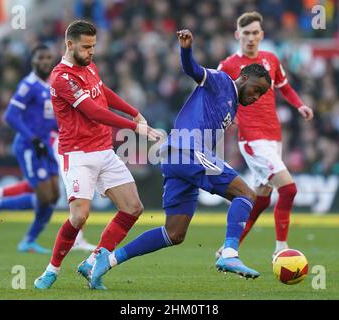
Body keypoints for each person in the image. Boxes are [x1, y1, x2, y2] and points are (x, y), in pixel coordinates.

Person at [90, 29, 271, 289]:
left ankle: (107, 260)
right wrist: (186, 49)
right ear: (243, 78)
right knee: (246, 195)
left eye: (261, 95)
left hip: (177, 159)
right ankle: (230, 254)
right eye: (256, 89)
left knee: (174, 233)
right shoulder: (222, 81)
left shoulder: (233, 104)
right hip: (188, 151)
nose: (255, 97)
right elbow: (193, 69)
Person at [33, 20, 162, 289]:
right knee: (79, 216)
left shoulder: (88, 65)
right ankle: (52, 270)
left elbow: (102, 93)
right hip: (78, 154)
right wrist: (134, 126)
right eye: (87, 46)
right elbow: (93, 111)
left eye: (93, 46)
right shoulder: (62, 78)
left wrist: (133, 111)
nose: (92, 51)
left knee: (133, 207)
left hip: (104, 150)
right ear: (70, 44)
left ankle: (93, 262)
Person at [216, 12, 314, 259]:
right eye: (246, 33)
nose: (250, 38)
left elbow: (284, 86)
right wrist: (229, 116)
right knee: (289, 189)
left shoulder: (270, 59)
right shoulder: (228, 66)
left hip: (274, 137)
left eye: (255, 33)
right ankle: (280, 249)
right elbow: (215, 96)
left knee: (261, 200)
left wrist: (299, 104)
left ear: (262, 35)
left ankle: (228, 248)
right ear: (238, 35)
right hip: (252, 140)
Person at [0, 44, 60, 254]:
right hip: (28, 146)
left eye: (48, 58)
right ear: (33, 61)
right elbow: (10, 116)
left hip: (44, 146)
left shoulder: (49, 86)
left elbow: (50, 121)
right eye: (40, 58)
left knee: (54, 196)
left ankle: (29, 241)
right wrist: (32, 138)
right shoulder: (28, 85)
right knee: (43, 196)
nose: (44, 61)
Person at [0, 131, 97, 252]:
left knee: (45, 194)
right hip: (51, 147)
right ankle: (75, 239)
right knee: (50, 194)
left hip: (54, 146)